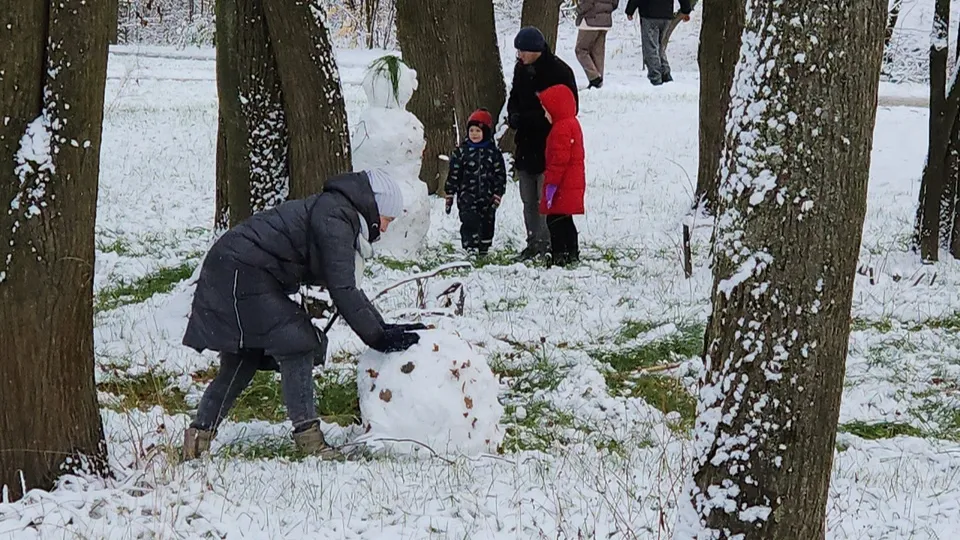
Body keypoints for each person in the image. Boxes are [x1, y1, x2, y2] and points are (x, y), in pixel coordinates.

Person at [180, 169, 425, 461]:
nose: (384, 229)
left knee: (243, 358)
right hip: (241, 272)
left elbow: (349, 289)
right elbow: (344, 291)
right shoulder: (337, 219)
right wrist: (380, 336)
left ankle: (197, 440)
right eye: (387, 219)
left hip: (233, 268)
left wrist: (384, 329)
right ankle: (309, 442)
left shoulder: (338, 212)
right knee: (296, 341)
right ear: (375, 208)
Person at [507, 26, 579, 262]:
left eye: (523, 51)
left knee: (546, 197)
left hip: (548, 142)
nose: (519, 56)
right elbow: (514, 96)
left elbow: (568, 109)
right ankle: (533, 240)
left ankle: (550, 242)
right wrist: (514, 115)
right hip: (525, 143)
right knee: (527, 197)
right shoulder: (520, 70)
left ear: (536, 50)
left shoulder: (559, 71)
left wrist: (529, 119)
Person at [444, 108, 507, 257]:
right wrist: (450, 193)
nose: (474, 134)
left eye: (478, 131)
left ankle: (484, 246)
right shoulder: (461, 153)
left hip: (487, 196)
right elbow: (454, 174)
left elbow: (500, 175)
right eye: (471, 130)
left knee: (487, 222)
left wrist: (498, 193)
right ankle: (470, 246)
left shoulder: (493, 153)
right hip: (467, 196)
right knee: (469, 220)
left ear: (485, 132)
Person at [538, 84, 585, 266]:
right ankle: (572, 251)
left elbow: (559, 161)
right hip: (570, 183)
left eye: (546, 110)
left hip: (562, 185)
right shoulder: (572, 123)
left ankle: (560, 253)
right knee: (566, 220)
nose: (544, 115)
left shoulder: (560, 129)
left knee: (555, 220)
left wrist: (551, 184)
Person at [625, 0, 692, 85]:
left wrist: (630, 10)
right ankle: (665, 73)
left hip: (649, 14)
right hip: (666, 14)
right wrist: (686, 9)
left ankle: (655, 77)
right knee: (660, 47)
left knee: (651, 47)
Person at [575, 0, 619, 89]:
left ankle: (594, 77)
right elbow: (615, 3)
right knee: (597, 52)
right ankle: (598, 81)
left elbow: (587, 3)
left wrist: (579, 10)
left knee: (581, 50)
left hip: (590, 19)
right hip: (605, 20)